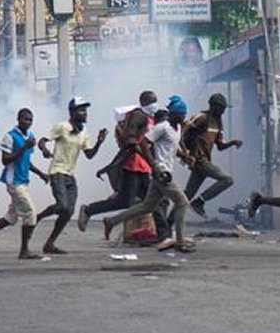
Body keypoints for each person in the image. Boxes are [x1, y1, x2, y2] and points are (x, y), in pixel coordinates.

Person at [102, 96, 194, 252]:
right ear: (173, 114)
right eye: (181, 115)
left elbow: (173, 146)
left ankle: (111, 221)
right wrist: (154, 166)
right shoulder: (162, 127)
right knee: (182, 203)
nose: (183, 118)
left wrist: (185, 156)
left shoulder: (177, 128)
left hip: (165, 172)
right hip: (161, 172)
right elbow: (144, 143)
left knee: (147, 206)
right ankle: (179, 241)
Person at [0, 108, 48, 260]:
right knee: (31, 214)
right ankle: (24, 251)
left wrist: (40, 174)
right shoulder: (10, 136)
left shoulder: (30, 136)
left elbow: (26, 161)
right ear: (18, 120)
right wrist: (24, 146)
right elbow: (5, 160)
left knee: (11, 217)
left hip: (23, 180)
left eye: (30, 120)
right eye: (25, 119)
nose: (28, 122)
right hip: (14, 181)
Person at [36, 98, 107, 254]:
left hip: (70, 176)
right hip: (57, 172)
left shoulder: (83, 132)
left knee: (68, 211)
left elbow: (89, 154)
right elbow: (42, 141)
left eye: (85, 110)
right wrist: (44, 150)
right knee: (62, 205)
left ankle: (50, 244)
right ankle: (39, 216)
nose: (85, 113)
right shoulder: (63, 126)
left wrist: (99, 142)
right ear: (72, 112)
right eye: (81, 110)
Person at [79, 91, 156, 231]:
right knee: (128, 201)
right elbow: (129, 147)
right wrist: (110, 166)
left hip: (143, 166)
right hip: (133, 166)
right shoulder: (133, 121)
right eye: (152, 102)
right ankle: (90, 210)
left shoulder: (148, 119)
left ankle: (160, 231)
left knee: (151, 200)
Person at [181, 93, 242, 218]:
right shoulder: (202, 117)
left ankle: (166, 224)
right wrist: (184, 153)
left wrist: (232, 143)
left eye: (224, 108)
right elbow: (183, 130)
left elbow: (220, 146)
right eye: (221, 107)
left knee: (186, 197)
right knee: (227, 179)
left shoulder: (218, 123)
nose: (223, 111)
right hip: (199, 160)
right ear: (213, 106)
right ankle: (199, 202)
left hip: (204, 161)